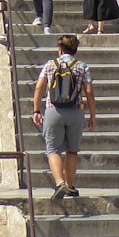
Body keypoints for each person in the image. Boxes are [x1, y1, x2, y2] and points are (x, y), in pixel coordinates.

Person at [31, 33, 96, 199]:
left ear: (60, 49)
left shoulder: (50, 65)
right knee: (72, 150)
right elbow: (88, 91)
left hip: (54, 110)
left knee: (52, 149)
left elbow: (39, 88)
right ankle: (71, 186)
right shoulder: (82, 66)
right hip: (75, 110)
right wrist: (92, 115)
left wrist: (36, 110)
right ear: (75, 50)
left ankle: (59, 183)